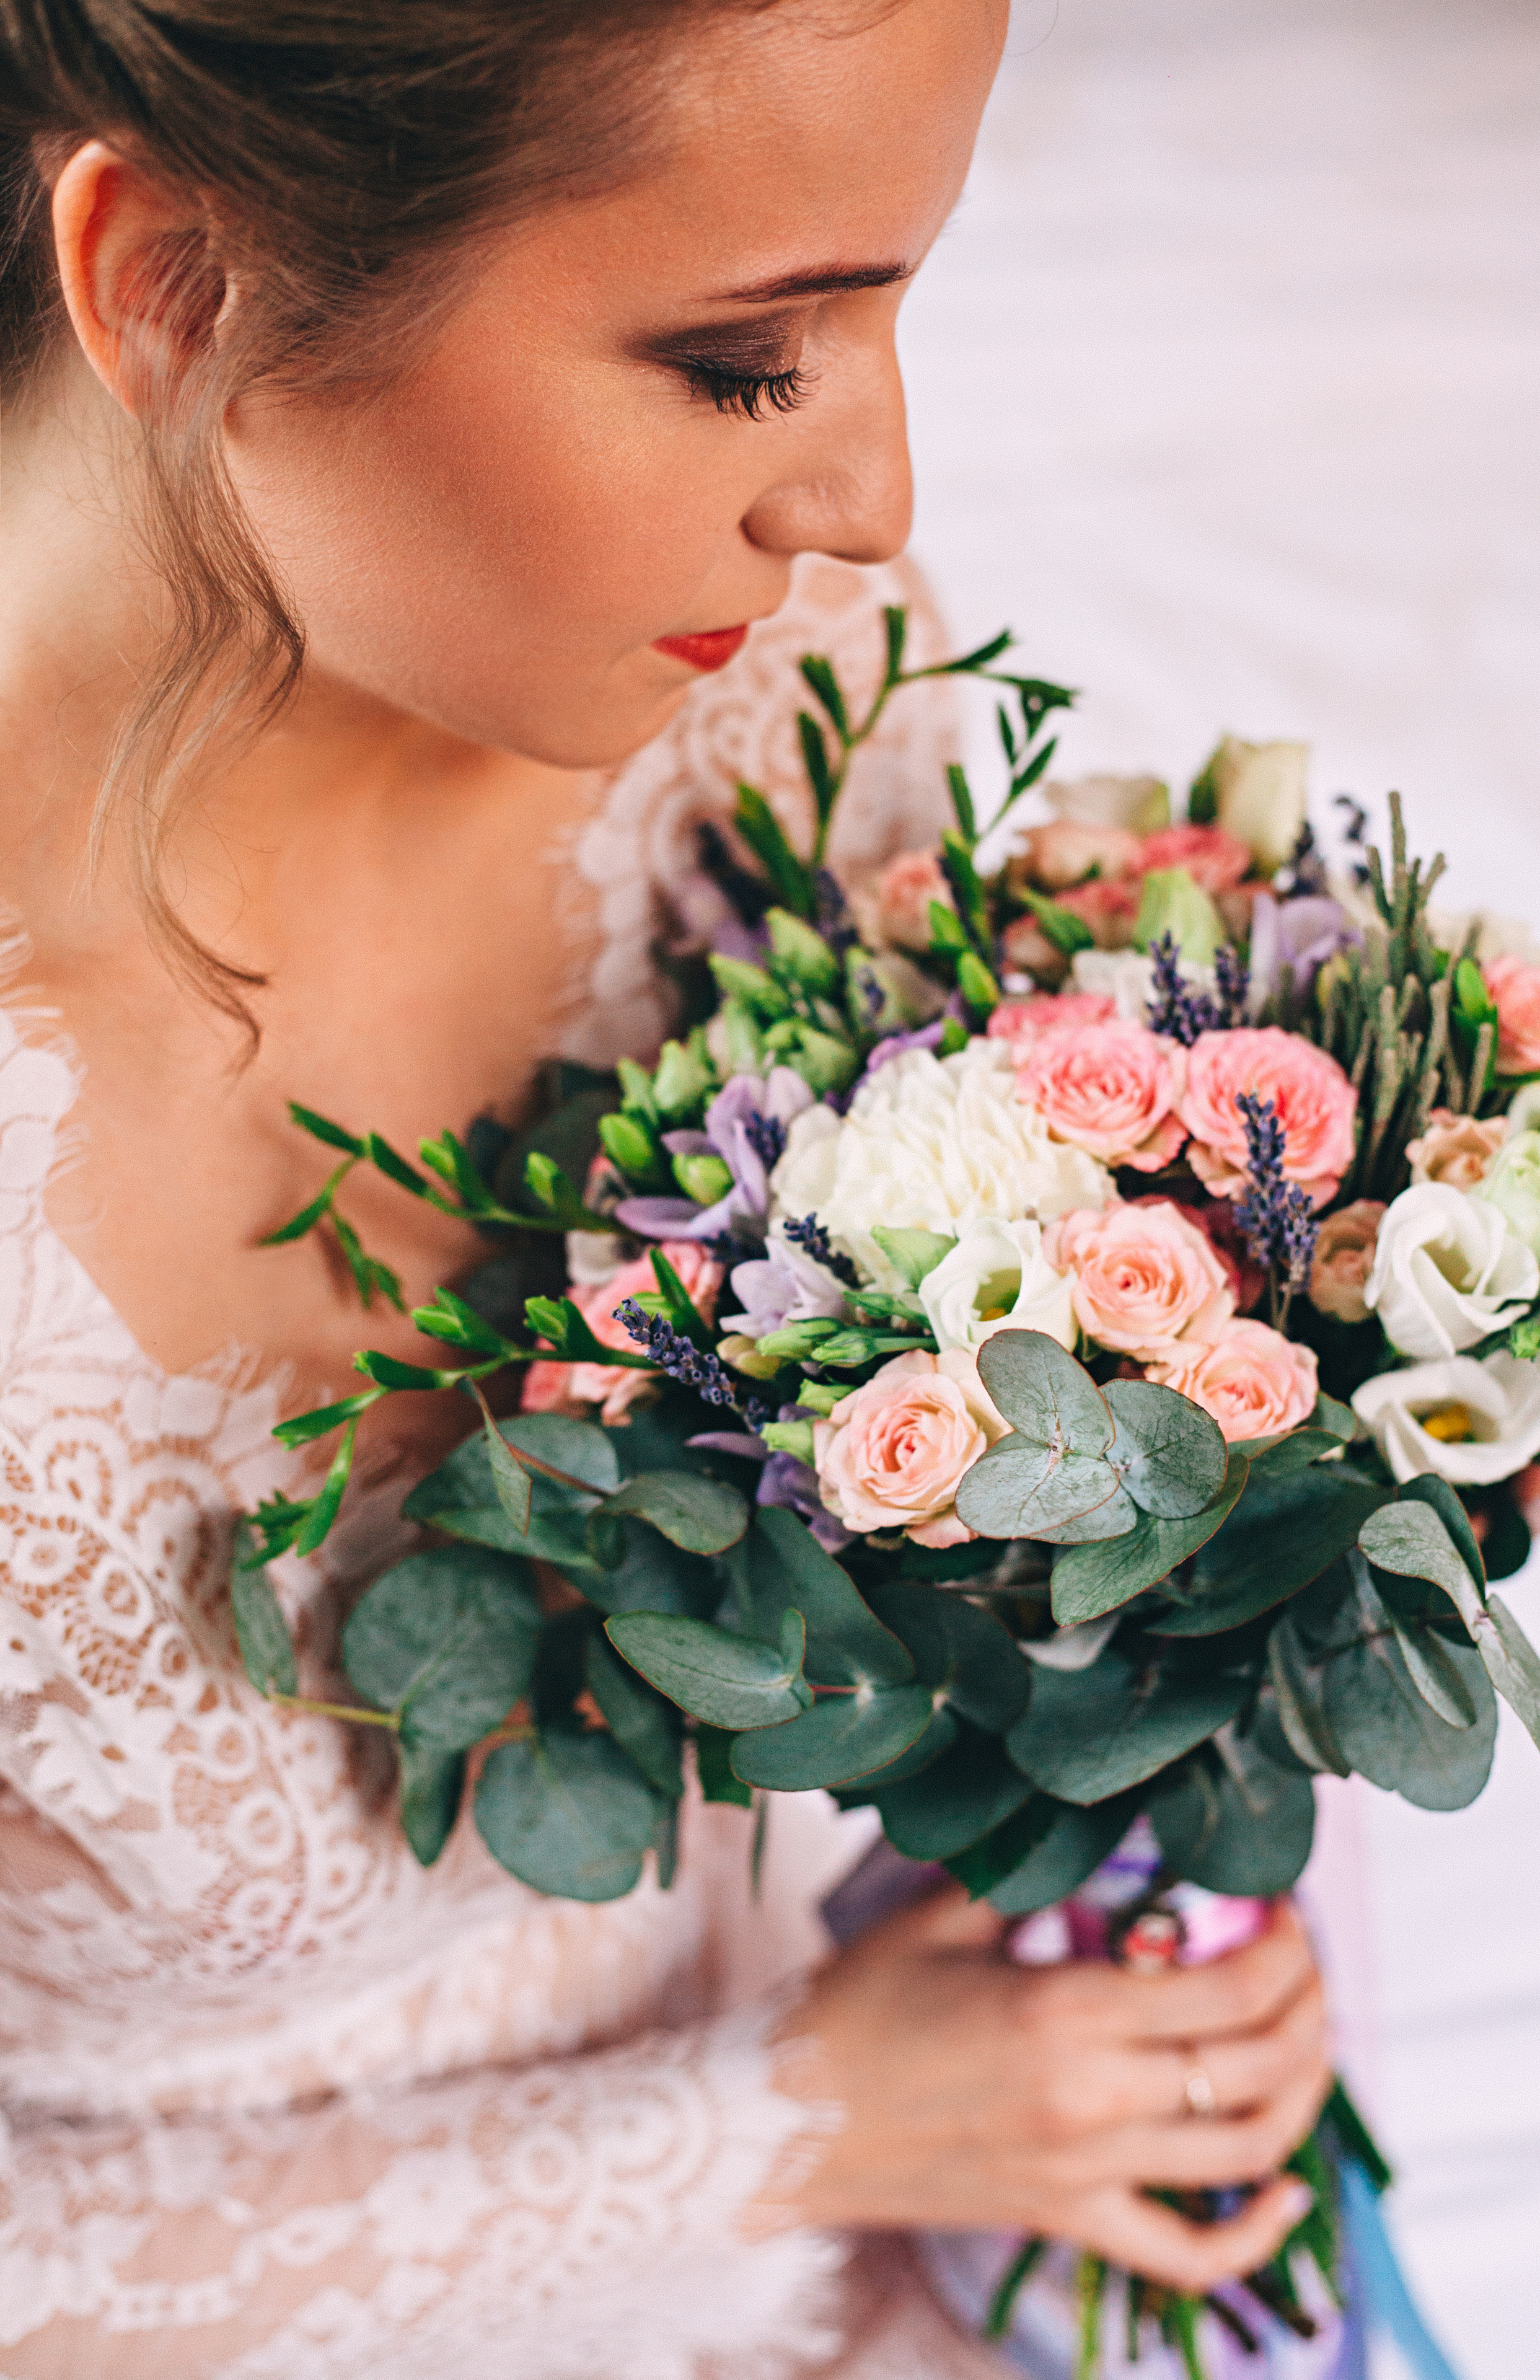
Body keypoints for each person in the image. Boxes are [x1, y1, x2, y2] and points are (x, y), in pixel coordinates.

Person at [0, 4, 1333, 2371]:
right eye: (742, 362)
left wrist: (1121, 1882)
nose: (871, 503)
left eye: (892, 304)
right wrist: (800, 2127)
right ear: (177, 281)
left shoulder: (770, 717)